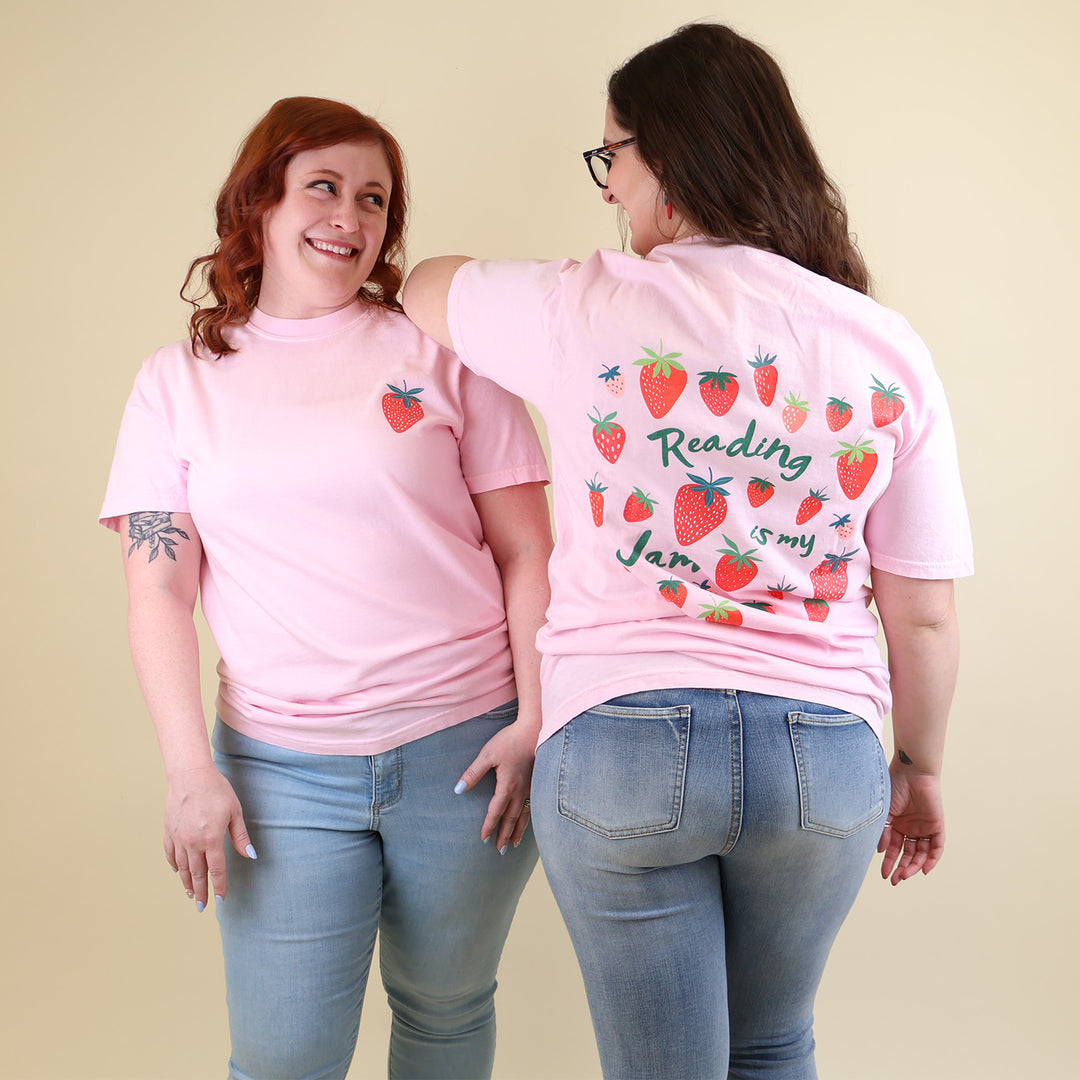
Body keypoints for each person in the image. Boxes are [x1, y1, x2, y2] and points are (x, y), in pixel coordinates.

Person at [402, 23, 973, 1080]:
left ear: (666, 159)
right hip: (825, 756)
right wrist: (922, 767)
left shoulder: (583, 304)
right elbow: (924, 612)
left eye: (612, 156)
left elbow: (423, 285)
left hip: (621, 742)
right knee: (773, 1043)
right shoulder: (884, 345)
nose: (609, 188)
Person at [100, 96, 552, 1080]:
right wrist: (188, 771)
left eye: (375, 198)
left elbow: (530, 551)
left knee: (446, 1012)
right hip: (279, 772)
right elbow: (159, 592)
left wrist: (535, 721)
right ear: (259, 202)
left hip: (467, 752)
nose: (350, 216)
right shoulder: (174, 385)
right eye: (324, 187)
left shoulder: (447, 353)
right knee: (284, 1057)